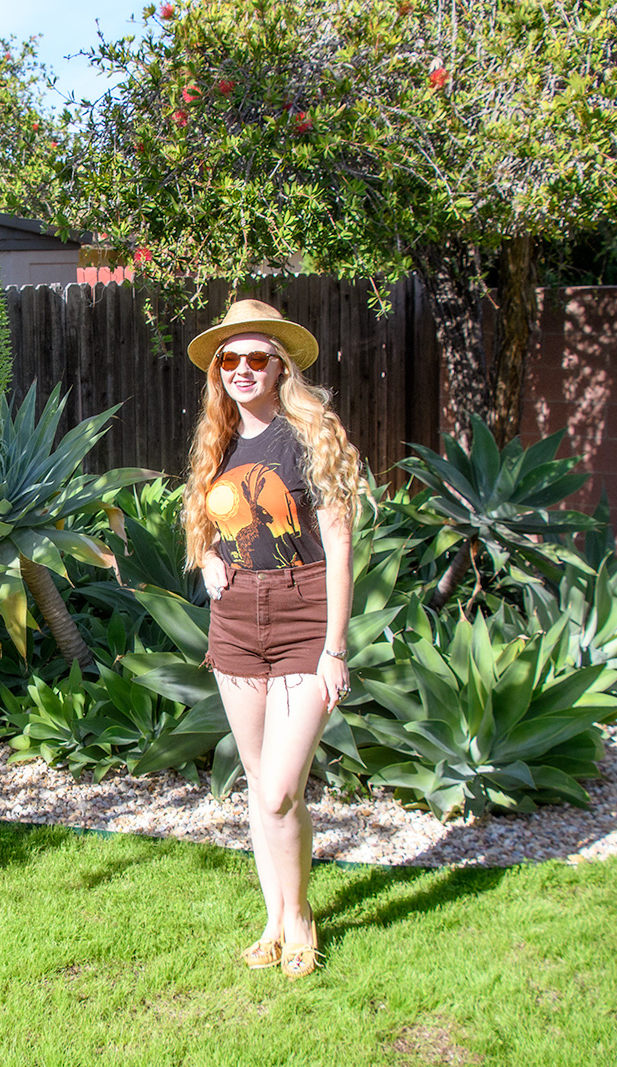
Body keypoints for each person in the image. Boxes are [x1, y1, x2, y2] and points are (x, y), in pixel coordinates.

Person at [181, 298, 362, 978]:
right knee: (261, 786)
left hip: (302, 615)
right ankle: (274, 920)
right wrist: (207, 559)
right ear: (217, 372)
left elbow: (341, 544)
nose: (242, 369)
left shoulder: (311, 434)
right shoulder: (217, 442)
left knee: (283, 786)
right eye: (230, 359)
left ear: (281, 364)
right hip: (234, 625)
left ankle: (301, 914)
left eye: (257, 357)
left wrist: (334, 648)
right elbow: (204, 520)